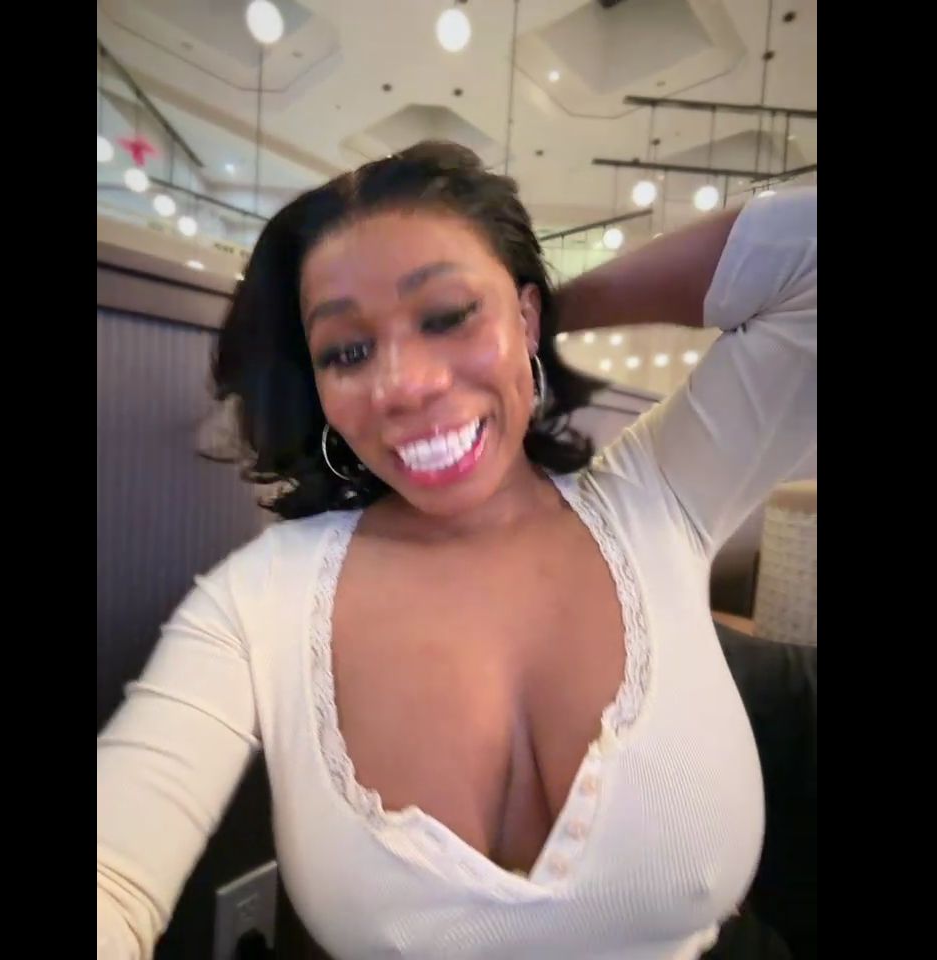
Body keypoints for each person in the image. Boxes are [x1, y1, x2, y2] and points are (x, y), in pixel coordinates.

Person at [97, 140, 816, 959]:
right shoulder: (257, 599)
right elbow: (112, 873)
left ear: (526, 317)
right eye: (348, 351)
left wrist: (535, 315)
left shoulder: (660, 495)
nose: (405, 385)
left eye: (446, 316)